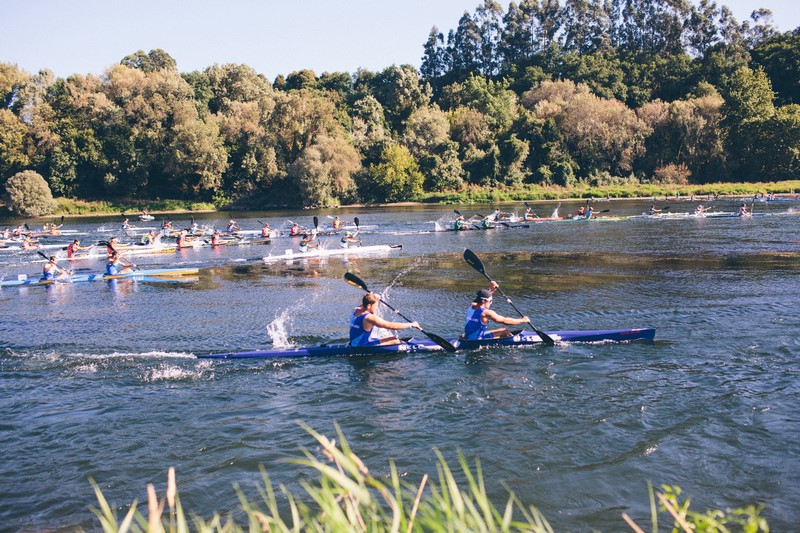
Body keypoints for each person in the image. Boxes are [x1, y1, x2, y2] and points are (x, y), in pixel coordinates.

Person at [349, 292, 420, 347]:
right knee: (395, 340)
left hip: (353, 344)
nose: (376, 308)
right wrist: (411, 325)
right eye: (375, 306)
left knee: (384, 338)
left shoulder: (356, 310)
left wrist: (373, 298)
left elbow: (363, 304)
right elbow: (392, 326)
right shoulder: (370, 318)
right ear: (369, 306)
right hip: (363, 347)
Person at [464, 282, 529, 340]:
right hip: (477, 340)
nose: (491, 303)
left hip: (468, 336)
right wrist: (522, 320)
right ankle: (516, 343)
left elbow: (484, 297)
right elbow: (505, 321)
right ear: (483, 301)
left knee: (503, 331)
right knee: (505, 332)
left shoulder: (472, 306)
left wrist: (491, 289)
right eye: (490, 301)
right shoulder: (486, 313)